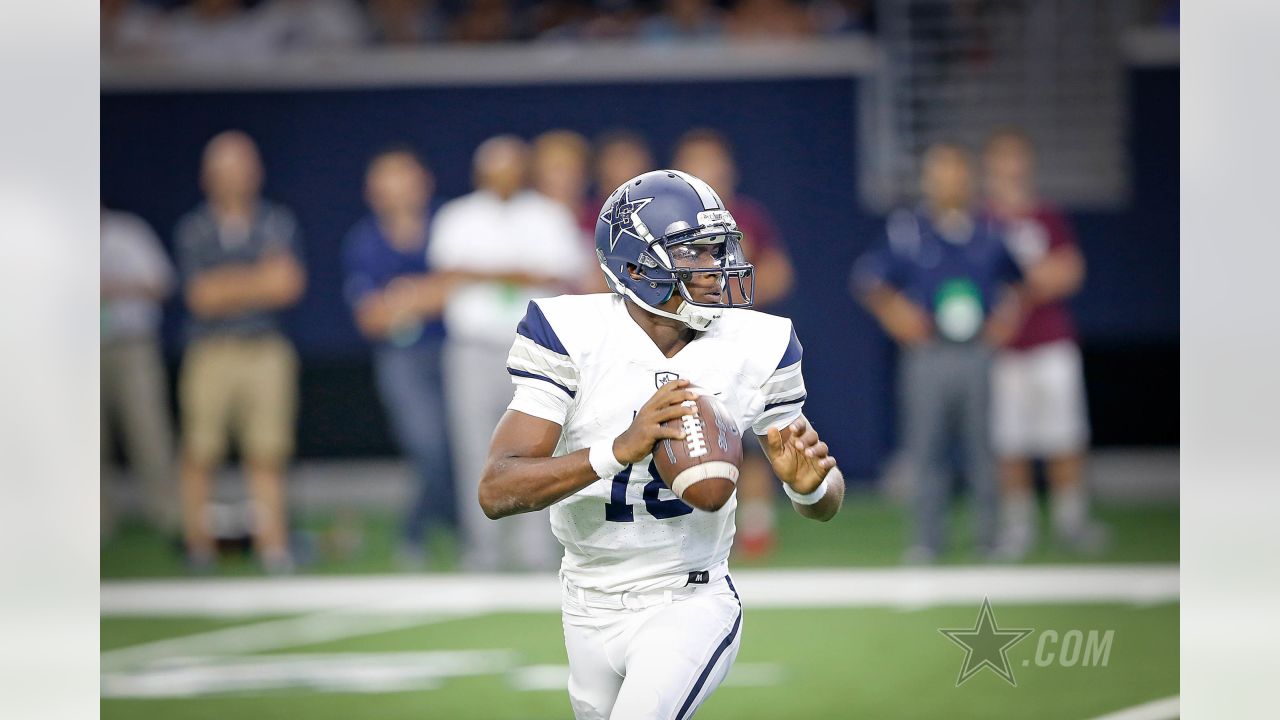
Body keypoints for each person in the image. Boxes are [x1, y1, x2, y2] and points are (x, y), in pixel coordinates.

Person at [478, 170, 844, 720]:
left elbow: (823, 496)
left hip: (690, 598)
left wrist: (811, 491)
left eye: (718, 250)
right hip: (585, 599)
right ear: (633, 267)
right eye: (695, 253)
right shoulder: (570, 334)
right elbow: (497, 490)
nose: (716, 267)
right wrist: (618, 450)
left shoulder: (757, 343)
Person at [852, 142, 1022, 564]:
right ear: (928, 179)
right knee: (926, 446)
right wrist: (896, 314)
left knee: (982, 446)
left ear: (968, 178)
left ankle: (990, 536)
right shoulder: (907, 229)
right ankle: (927, 539)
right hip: (927, 354)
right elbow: (868, 279)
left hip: (976, 351)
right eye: (940, 172)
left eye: (956, 172)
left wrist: (1005, 322)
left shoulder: (989, 229)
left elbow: (1019, 282)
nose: (948, 181)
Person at [428, 135, 587, 572]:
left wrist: (481, 270)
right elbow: (448, 272)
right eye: (495, 168)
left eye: (512, 166)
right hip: (473, 348)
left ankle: (537, 552)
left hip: (535, 351)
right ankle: (483, 551)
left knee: (539, 449)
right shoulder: (456, 216)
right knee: (475, 450)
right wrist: (519, 271)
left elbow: (558, 272)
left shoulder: (547, 215)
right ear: (480, 173)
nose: (504, 176)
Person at [176, 130, 306, 573]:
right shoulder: (194, 228)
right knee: (200, 450)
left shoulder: (276, 221)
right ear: (208, 176)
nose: (236, 177)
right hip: (210, 350)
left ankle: (273, 546)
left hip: (265, 349)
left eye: (243, 166)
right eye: (226, 168)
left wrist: (229, 285)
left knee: (266, 450)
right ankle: (199, 545)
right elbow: (200, 296)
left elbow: (287, 284)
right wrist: (257, 282)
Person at [982, 129, 1107, 559]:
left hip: (1051, 343)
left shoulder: (1048, 217)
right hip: (1003, 350)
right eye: (1002, 159)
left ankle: (1072, 521)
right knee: (1010, 440)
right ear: (991, 166)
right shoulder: (982, 222)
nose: (1010, 168)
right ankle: (1018, 527)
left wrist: (1021, 284)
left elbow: (1069, 272)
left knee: (1063, 435)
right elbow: (976, 284)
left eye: (1017, 159)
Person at [672, 128, 795, 558]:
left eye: (714, 161)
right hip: (681, 341)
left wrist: (727, 299)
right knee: (685, 432)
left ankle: (758, 527)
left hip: (734, 340)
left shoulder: (747, 216)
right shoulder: (668, 223)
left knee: (751, 434)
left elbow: (779, 272)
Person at [342, 147, 456, 568]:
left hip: (453, 350)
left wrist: (405, 295)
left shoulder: (449, 224)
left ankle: (449, 527)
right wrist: (428, 293)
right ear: (373, 192)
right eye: (387, 182)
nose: (398, 191)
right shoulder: (364, 241)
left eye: (405, 178)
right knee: (428, 446)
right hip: (401, 356)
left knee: (462, 445)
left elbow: (460, 287)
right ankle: (418, 528)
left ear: (424, 181)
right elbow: (370, 318)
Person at [101, 205, 179, 537]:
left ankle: (169, 515)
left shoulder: (126, 233)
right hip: (72, 348)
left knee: (148, 430)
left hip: (131, 345)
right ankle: (96, 522)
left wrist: (113, 288)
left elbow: (162, 283)